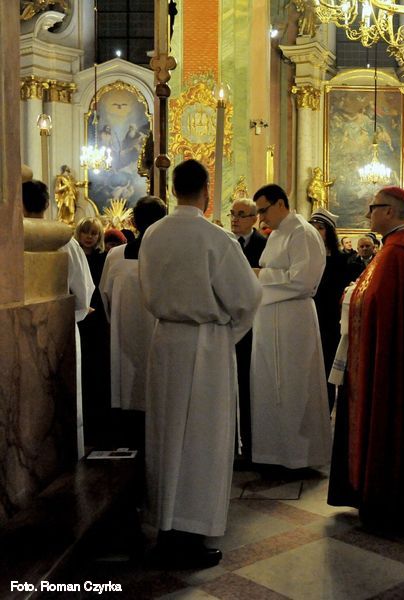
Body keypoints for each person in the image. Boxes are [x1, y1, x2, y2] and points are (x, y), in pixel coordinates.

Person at [139, 159, 258, 568]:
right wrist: (227, 333)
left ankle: (165, 527)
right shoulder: (216, 239)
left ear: (173, 190)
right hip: (206, 346)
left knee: (166, 434)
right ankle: (193, 533)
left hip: (165, 340)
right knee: (203, 441)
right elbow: (247, 298)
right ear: (207, 191)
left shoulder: (152, 234)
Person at [327, 187, 404, 522]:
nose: (367, 215)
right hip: (385, 353)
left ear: (390, 212)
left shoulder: (398, 253)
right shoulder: (397, 248)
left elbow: (374, 303)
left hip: (388, 362)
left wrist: (352, 299)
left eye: (372, 208)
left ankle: (384, 495)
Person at [250, 184, 331, 470]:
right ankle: (273, 453)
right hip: (270, 317)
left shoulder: (302, 232)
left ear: (281, 203)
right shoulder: (278, 234)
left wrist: (261, 276)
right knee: (270, 384)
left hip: (293, 320)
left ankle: (299, 456)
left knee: (294, 385)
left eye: (263, 210)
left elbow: (303, 280)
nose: (260, 218)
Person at [23, 180, 94, 458]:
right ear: (47, 203)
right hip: (62, 328)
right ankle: (69, 459)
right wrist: (71, 317)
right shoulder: (63, 239)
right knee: (65, 401)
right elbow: (85, 291)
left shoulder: (10, 239)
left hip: (21, 329)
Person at [99, 196, 166, 447]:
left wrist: (115, 320)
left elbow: (105, 294)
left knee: (128, 386)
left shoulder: (115, 256)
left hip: (124, 331)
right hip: (161, 332)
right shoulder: (170, 253)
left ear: (135, 222)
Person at [229, 197, 266, 462]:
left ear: (254, 218)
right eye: (232, 213)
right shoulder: (226, 244)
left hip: (258, 321)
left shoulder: (265, 245)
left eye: (241, 214)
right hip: (232, 321)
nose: (235, 219)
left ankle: (254, 441)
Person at [309, 208, 353, 411]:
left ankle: (325, 410)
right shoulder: (305, 257)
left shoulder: (341, 260)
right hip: (309, 318)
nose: (316, 232)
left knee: (326, 368)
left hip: (330, 321)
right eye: (313, 228)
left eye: (320, 228)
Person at [74, 216, 111, 445]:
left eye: (94, 233)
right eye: (86, 232)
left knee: (97, 367)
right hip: (80, 317)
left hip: (96, 318)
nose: (89, 237)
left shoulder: (103, 258)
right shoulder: (74, 256)